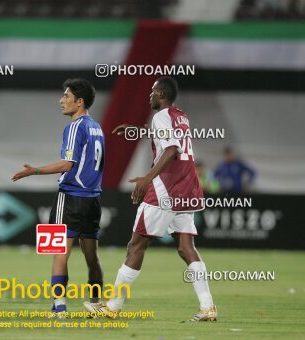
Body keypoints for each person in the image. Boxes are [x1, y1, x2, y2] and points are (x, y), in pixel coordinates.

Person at [84, 77, 217, 322]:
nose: (149, 95)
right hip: (188, 187)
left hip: (167, 187)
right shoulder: (181, 116)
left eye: (152, 91)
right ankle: (208, 307)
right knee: (186, 247)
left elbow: (171, 149)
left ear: (161, 93)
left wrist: (147, 178)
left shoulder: (161, 116)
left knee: (136, 246)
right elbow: (168, 139)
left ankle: (113, 307)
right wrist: (137, 131)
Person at [11, 78, 105, 318]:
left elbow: (67, 163)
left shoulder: (74, 127)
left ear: (79, 101)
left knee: (59, 253)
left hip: (71, 196)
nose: (61, 100)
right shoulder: (97, 126)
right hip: (93, 199)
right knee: (92, 257)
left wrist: (34, 171)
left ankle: (59, 308)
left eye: (66, 96)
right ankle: (96, 303)